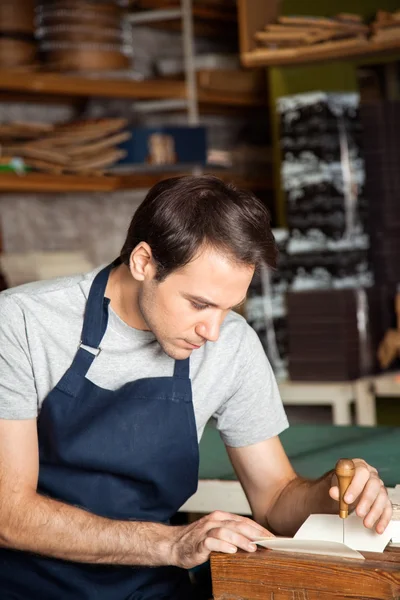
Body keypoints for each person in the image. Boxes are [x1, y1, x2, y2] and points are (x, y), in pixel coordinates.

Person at [0, 175, 392, 599]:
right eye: (199, 304)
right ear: (144, 262)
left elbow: (276, 498)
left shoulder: (233, 344)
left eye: (229, 308)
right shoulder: (22, 325)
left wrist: (332, 493)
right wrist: (171, 543)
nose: (213, 332)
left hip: (150, 589)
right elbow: (9, 514)